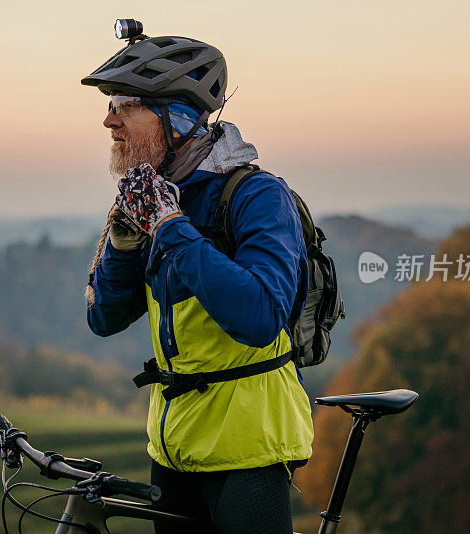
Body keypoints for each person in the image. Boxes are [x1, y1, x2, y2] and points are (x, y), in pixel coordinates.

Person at [82, 29, 313, 534]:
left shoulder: (256, 195)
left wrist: (168, 227)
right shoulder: (161, 194)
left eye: (125, 104)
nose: (109, 119)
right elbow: (102, 318)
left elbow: (259, 316)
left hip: (249, 449)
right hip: (173, 448)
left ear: (178, 119)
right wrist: (124, 243)